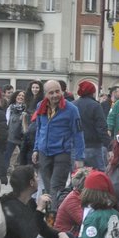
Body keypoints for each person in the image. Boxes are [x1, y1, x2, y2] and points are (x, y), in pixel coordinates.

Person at [31, 79, 84, 209]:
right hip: (44, 151)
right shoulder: (40, 106)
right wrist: (36, 149)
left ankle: (55, 217)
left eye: (57, 91)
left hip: (62, 152)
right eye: (51, 93)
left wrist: (79, 157)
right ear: (45, 94)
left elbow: (78, 133)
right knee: (48, 187)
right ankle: (50, 213)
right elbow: (39, 128)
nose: (55, 95)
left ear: (62, 91)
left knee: (56, 186)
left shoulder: (71, 109)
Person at [75, 80, 109, 170]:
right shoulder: (96, 106)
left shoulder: (72, 105)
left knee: (78, 178)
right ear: (93, 93)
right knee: (97, 177)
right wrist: (109, 145)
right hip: (93, 146)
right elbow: (102, 128)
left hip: (76, 147)